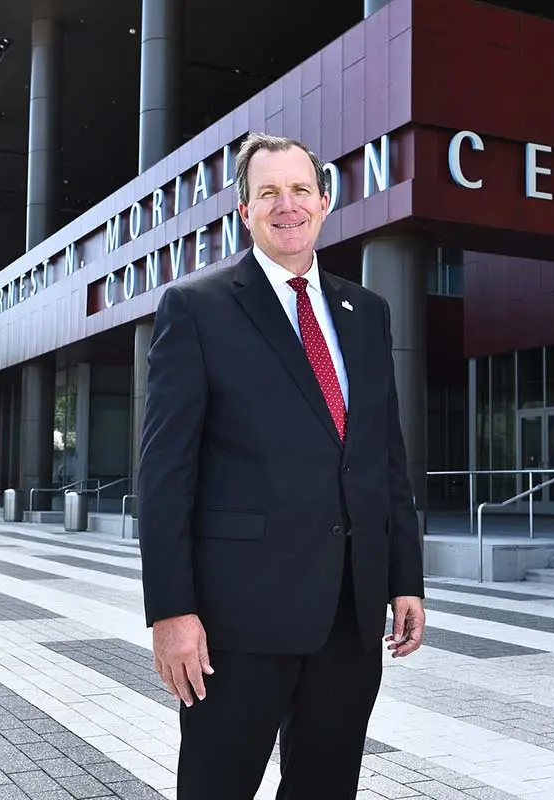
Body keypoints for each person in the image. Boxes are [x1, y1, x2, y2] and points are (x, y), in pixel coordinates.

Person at [137, 132, 426, 800]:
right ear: (244, 212)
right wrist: (171, 612)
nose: (286, 205)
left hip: (350, 618)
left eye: (300, 190)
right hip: (236, 621)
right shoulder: (197, 307)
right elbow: (164, 474)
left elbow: (385, 459)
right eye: (268, 192)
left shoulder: (366, 312)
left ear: (325, 203)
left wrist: (405, 577)